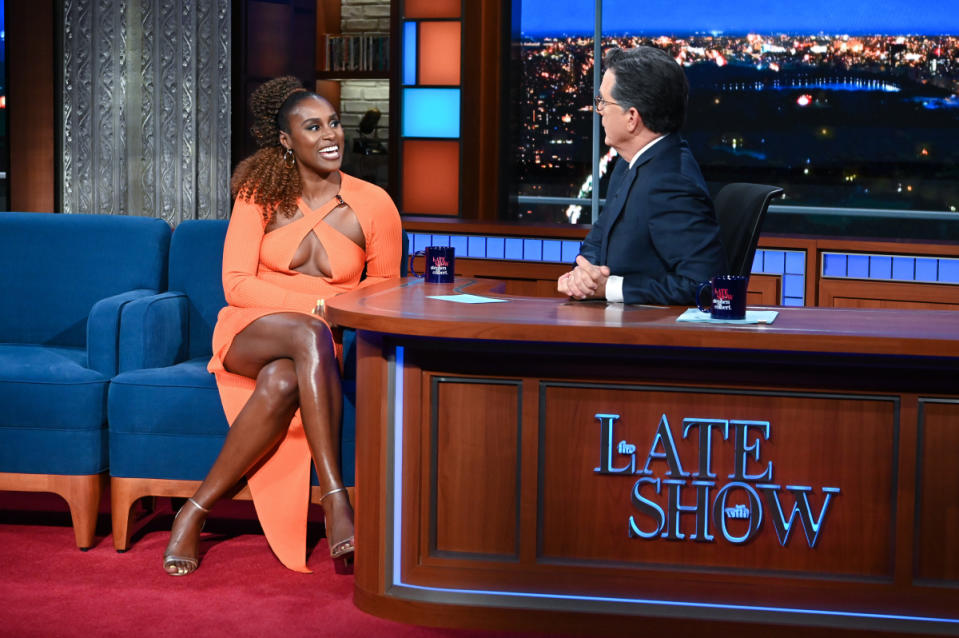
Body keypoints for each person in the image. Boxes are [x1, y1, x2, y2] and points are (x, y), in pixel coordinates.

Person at [162, 76, 403, 576]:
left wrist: (322, 312)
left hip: (318, 345)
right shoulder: (258, 194)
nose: (329, 135)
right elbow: (236, 284)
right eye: (312, 127)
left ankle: (194, 511)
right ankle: (337, 499)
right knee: (307, 330)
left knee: (283, 377)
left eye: (334, 123)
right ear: (287, 141)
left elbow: (384, 293)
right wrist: (323, 302)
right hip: (250, 329)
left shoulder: (375, 204)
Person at [558, 46, 727, 304]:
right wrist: (582, 276)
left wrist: (610, 288)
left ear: (632, 118)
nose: (599, 110)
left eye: (603, 101)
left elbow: (705, 285)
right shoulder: (629, 163)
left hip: (652, 336)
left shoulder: (672, 182)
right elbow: (598, 240)